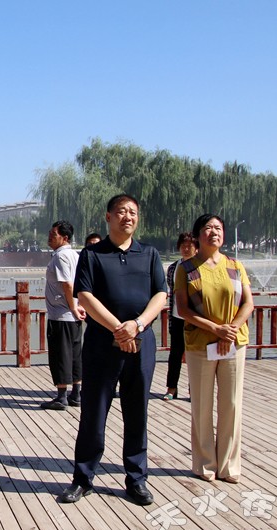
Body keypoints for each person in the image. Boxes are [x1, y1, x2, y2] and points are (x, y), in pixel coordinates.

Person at [58, 194, 167, 507]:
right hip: (102, 345)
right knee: (93, 413)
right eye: (121, 211)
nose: (127, 217)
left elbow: (160, 294)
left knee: (137, 413)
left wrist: (137, 325)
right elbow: (85, 296)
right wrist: (119, 328)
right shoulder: (92, 254)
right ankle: (83, 478)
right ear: (108, 217)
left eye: (133, 212)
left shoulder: (149, 254)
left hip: (141, 344)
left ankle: (136, 479)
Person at [175, 214, 253, 483]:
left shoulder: (235, 265)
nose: (213, 232)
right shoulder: (186, 268)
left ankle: (229, 465)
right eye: (208, 228)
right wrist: (215, 329)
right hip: (200, 343)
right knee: (202, 404)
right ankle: (205, 463)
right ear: (198, 235)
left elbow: (248, 303)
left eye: (218, 228)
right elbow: (183, 308)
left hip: (234, 342)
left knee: (231, 403)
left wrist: (230, 329)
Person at [41, 220, 86, 411]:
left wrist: (73, 307)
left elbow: (67, 284)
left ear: (65, 238)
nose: (49, 237)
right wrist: (78, 305)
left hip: (61, 315)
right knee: (75, 354)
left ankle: (61, 397)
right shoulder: (74, 255)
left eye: (54, 235)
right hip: (72, 315)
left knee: (60, 355)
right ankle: (76, 394)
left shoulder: (61, 257)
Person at [163, 232, 197, 400]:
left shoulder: (199, 266)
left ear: (196, 248)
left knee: (195, 355)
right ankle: (171, 388)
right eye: (183, 246)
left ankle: (194, 390)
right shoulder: (173, 267)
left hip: (195, 319)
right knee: (175, 354)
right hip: (177, 317)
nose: (186, 249)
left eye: (189, 246)